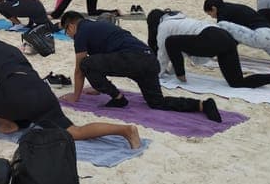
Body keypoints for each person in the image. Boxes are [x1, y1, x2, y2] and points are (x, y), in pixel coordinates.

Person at [0, 25, 141, 147]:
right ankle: (125, 130)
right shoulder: (10, 48)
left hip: (15, 97)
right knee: (75, 132)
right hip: (42, 93)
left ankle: (8, 123)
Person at [59, 11, 222, 122]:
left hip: (132, 59)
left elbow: (80, 68)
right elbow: (103, 61)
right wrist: (98, 87)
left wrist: (76, 95)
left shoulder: (82, 32)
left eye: (67, 32)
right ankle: (202, 105)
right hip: (148, 60)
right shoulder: (96, 28)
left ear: (71, 26)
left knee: (85, 63)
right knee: (157, 102)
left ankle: (118, 98)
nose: (69, 36)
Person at [146, 9, 270, 92]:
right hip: (225, 39)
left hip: (212, 38)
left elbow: (163, 54)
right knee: (236, 82)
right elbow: (183, 49)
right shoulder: (180, 19)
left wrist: (156, 75)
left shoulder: (164, 26)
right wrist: (171, 69)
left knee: (170, 42)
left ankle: (181, 75)